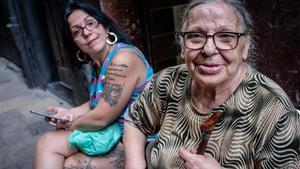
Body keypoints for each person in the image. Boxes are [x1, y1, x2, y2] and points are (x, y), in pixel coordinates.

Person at [123, 0, 300, 168]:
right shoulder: (169, 81)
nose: (208, 49)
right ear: (183, 47)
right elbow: (136, 120)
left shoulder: (275, 113)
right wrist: (134, 165)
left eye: (225, 36)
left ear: (245, 47)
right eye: (195, 36)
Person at [34, 0, 153, 168]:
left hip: (142, 145)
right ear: (74, 42)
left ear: (105, 26)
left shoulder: (123, 59)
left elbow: (100, 118)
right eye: (77, 31)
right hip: (113, 136)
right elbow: (97, 103)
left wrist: (69, 125)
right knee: (48, 143)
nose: (87, 32)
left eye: (91, 23)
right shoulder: (99, 65)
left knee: (67, 160)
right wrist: (69, 114)